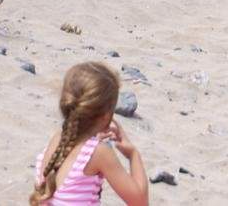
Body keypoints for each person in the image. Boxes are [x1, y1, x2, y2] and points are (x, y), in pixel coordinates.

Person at [31, 61, 152, 206]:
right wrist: (133, 155)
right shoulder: (99, 153)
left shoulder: (59, 138)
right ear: (107, 116)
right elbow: (139, 202)